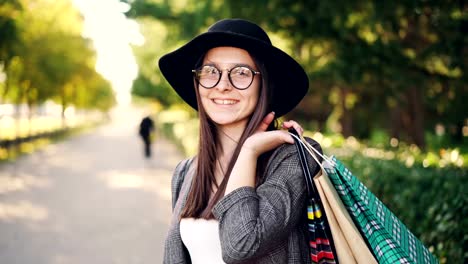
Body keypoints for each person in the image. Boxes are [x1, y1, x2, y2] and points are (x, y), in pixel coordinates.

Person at [159, 18, 322, 263]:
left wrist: (248, 151)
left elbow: (241, 244)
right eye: (211, 71)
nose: (223, 85)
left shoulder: (292, 159)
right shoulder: (185, 172)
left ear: (264, 85)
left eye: (242, 73)